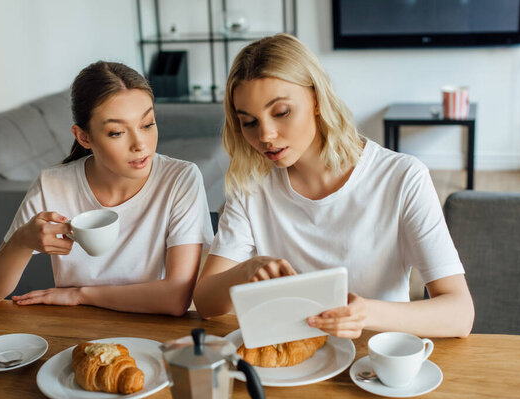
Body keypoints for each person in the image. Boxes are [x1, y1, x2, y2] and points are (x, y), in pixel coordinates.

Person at [193, 34, 474, 338]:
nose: (266, 135)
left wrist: (366, 313)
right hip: (296, 359)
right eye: (249, 122)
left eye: (281, 112)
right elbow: (205, 302)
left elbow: (460, 314)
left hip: (375, 359)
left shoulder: (402, 178)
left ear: (316, 99)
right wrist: (245, 271)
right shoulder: (251, 187)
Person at [0, 61, 214, 315]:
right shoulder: (52, 185)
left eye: (147, 124)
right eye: (116, 132)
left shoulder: (180, 179)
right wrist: (21, 242)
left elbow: (176, 298)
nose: (140, 144)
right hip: (77, 328)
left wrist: (80, 295)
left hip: (152, 325)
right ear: (84, 137)